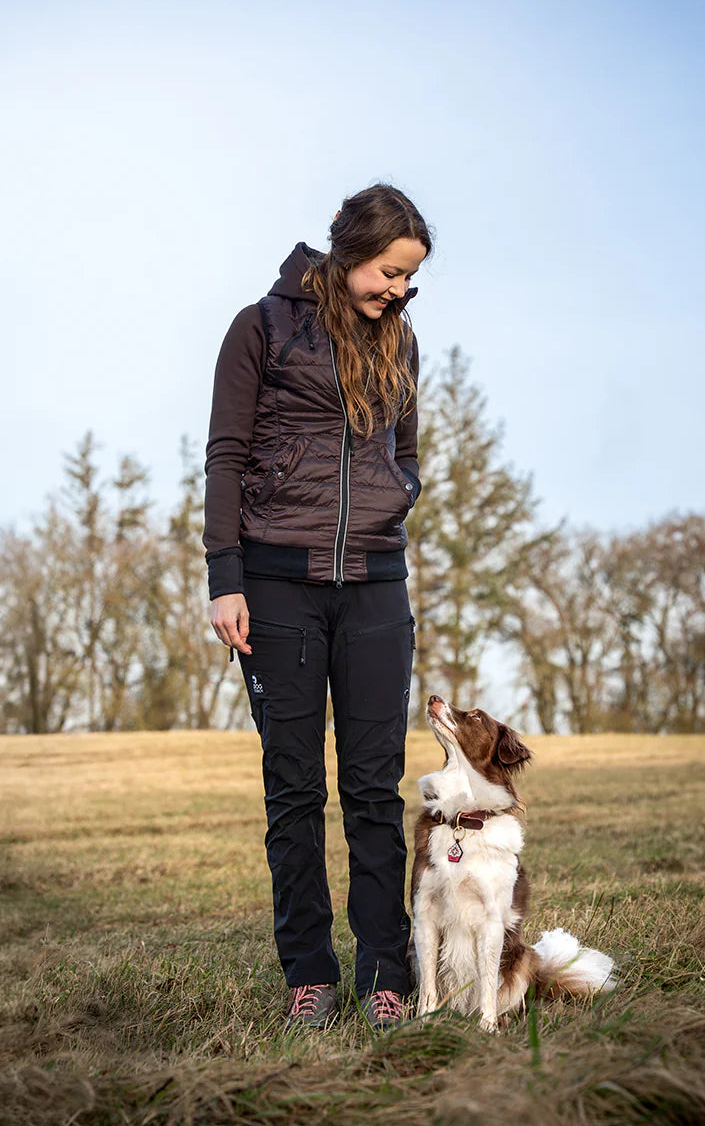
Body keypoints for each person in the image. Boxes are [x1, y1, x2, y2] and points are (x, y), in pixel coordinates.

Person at [203, 183, 431, 1030]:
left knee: (374, 790)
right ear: (345, 255)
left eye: (409, 279)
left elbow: (403, 450)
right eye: (387, 273)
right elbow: (225, 455)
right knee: (293, 791)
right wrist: (225, 574)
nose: (397, 291)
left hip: (375, 586)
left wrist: (394, 500)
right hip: (275, 586)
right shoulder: (259, 327)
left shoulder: (400, 340)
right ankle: (310, 973)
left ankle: (386, 975)